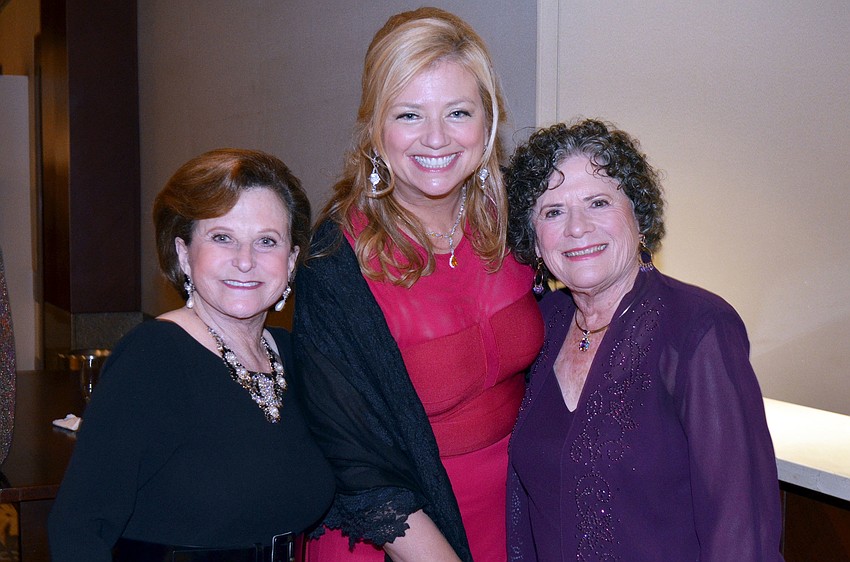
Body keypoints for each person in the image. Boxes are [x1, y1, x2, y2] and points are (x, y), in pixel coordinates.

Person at [291, 7, 543, 562]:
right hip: (397, 536)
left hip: (515, 516)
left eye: (458, 112)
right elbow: (351, 454)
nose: (436, 138)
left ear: (489, 121)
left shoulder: (517, 224)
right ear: (375, 129)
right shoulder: (336, 258)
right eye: (409, 115)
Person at [504, 119, 784, 561]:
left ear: (639, 216)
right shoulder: (539, 327)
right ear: (535, 242)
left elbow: (741, 529)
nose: (577, 228)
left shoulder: (698, 328)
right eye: (553, 211)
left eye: (598, 202)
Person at [48, 149, 335, 562]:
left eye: (267, 241)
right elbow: (78, 528)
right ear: (184, 253)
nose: (245, 261)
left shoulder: (295, 357)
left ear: (291, 261)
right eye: (222, 237)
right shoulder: (153, 358)